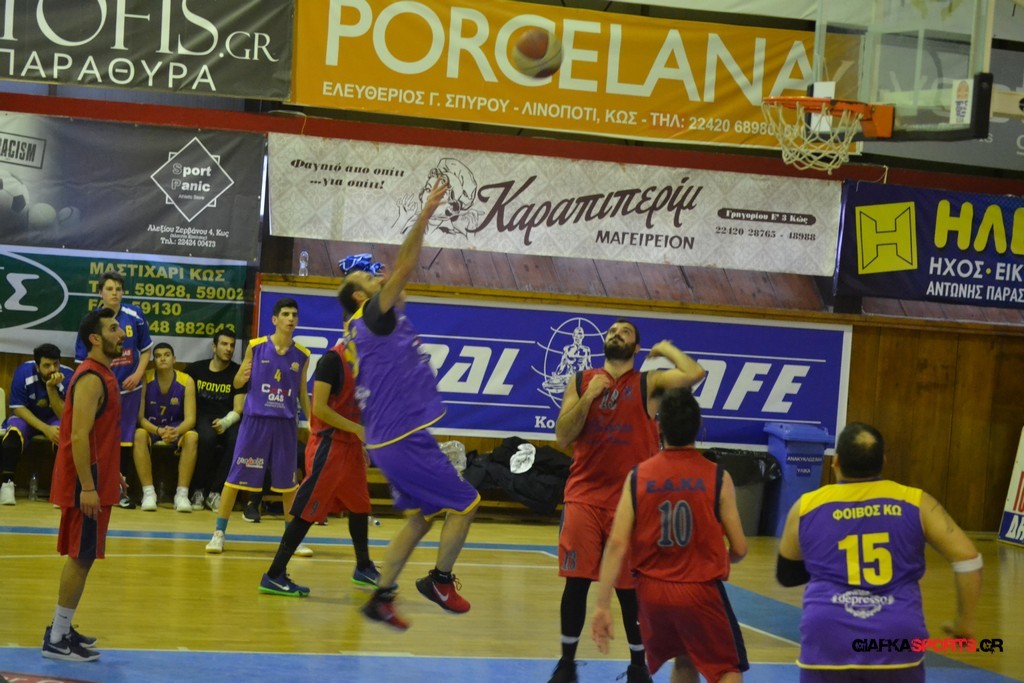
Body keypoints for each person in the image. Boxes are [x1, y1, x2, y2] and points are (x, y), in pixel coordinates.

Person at [341, 178, 480, 631]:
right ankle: (439, 580)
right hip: (401, 437)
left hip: (389, 437)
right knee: (466, 504)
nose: (380, 277)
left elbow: (399, 271)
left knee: (421, 518)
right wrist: (425, 215)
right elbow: (405, 265)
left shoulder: (376, 323)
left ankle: (380, 597)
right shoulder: (372, 315)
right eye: (370, 279)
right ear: (360, 296)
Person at [548, 321, 707, 683]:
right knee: (576, 583)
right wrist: (588, 397)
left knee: (629, 589)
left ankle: (639, 667)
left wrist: (665, 348)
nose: (616, 333)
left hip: (631, 502)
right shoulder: (581, 380)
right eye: (612, 330)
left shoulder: (649, 383)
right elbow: (562, 436)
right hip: (584, 497)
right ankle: (566, 664)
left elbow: (694, 373)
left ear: (636, 347)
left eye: (625, 332)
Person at [776, 422, 983, 682]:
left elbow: (787, 575)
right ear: (883, 461)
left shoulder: (806, 506)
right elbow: (968, 559)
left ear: (835, 462)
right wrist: (964, 624)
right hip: (897, 637)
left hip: (828, 635)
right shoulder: (916, 501)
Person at [591, 388, 749, 683]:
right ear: (698, 427)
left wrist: (602, 605)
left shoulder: (638, 476)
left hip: (652, 594)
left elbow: (616, 544)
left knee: (685, 655)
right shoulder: (718, 477)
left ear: (659, 427)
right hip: (699, 590)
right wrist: (721, 559)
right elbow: (740, 547)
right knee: (728, 667)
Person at [258, 336, 379, 597]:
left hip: (350, 448)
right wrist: (357, 430)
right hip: (329, 446)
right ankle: (274, 574)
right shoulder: (332, 360)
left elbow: (353, 408)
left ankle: (363, 567)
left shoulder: (363, 361)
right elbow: (320, 410)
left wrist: (358, 442)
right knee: (307, 510)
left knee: (360, 505)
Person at [42, 308, 125, 662]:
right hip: (84, 484)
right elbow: (78, 436)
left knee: (84, 556)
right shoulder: (91, 377)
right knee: (80, 557)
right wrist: (89, 487)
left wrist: (112, 472)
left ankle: (62, 628)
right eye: (113, 328)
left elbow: (97, 434)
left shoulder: (101, 374)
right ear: (95, 338)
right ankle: (57, 639)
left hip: (94, 478)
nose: (122, 333)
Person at [205, 298, 311, 554]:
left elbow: (302, 392)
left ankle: (292, 539)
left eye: (294, 314)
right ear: (275, 319)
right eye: (285, 314)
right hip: (255, 421)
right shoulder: (256, 347)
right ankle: (218, 533)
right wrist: (239, 378)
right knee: (234, 479)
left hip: (285, 424)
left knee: (289, 485)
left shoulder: (303, 354)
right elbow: (237, 384)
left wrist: (313, 423)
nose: (290, 318)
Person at [75, 270, 153, 509]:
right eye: (109, 289)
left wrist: (138, 374)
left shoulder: (135, 315)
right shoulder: (91, 320)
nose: (115, 293)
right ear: (100, 292)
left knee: (125, 439)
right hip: (102, 392)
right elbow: (82, 360)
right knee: (100, 438)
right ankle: (93, 486)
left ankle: (121, 491)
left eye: (118, 289)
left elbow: (146, 349)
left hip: (130, 390)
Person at [1, 344, 74, 505]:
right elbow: (18, 408)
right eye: (47, 365)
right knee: (13, 436)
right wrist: (45, 429)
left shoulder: (69, 377)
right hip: (28, 416)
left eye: (56, 364)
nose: (52, 369)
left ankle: (62, 489)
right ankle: (7, 484)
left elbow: (65, 415)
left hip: (54, 417)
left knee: (64, 436)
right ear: (37, 366)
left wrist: (51, 389)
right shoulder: (23, 372)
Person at [132, 343, 198, 513]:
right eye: (158, 356)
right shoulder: (145, 378)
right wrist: (157, 431)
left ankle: (182, 495)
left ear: (174, 359)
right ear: (153, 361)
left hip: (176, 427)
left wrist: (177, 431)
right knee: (138, 434)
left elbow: (191, 419)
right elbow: (139, 417)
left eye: (167, 355)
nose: (163, 358)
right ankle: (149, 493)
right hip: (153, 427)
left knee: (192, 437)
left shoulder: (186, 380)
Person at [184, 328, 243, 512]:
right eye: (224, 344)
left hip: (228, 418)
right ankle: (198, 490)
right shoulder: (195, 370)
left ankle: (216, 492)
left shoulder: (238, 372)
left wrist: (225, 422)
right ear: (214, 346)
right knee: (207, 438)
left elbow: (239, 407)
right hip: (201, 417)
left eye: (232, 345)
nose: (229, 349)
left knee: (237, 440)